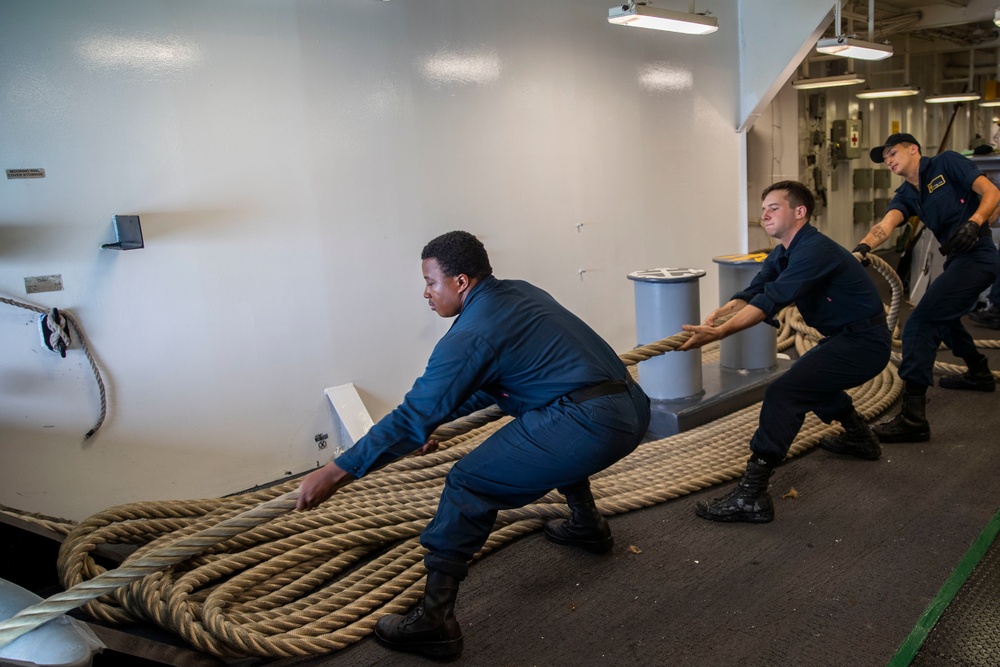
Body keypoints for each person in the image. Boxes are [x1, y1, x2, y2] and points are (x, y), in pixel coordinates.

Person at [295, 230, 651, 659]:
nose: (425, 293)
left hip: (591, 424)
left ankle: (435, 620)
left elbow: (412, 415)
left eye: (430, 282)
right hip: (631, 407)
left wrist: (336, 471)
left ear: (461, 282)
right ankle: (587, 524)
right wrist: (433, 423)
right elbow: (499, 386)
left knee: (467, 482)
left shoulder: (470, 334)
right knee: (539, 421)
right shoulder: (518, 293)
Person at [678, 181, 891, 524]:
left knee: (785, 391)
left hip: (865, 344)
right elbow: (759, 287)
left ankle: (752, 494)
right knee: (810, 378)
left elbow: (771, 300)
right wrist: (725, 310)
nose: (764, 214)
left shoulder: (814, 250)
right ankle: (861, 438)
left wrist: (719, 333)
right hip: (846, 339)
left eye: (774, 208)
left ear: (800, 212)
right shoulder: (786, 250)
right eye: (763, 209)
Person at [854, 133, 1000, 444]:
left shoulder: (946, 164)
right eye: (885, 159)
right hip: (958, 261)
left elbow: (991, 192)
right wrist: (863, 248)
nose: (889, 161)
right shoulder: (908, 193)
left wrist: (974, 223)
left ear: (913, 149)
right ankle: (979, 372)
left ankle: (913, 417)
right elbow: (886, 224)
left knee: (920, 323)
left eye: (893, 153)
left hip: (979, 255)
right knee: (942, 319)